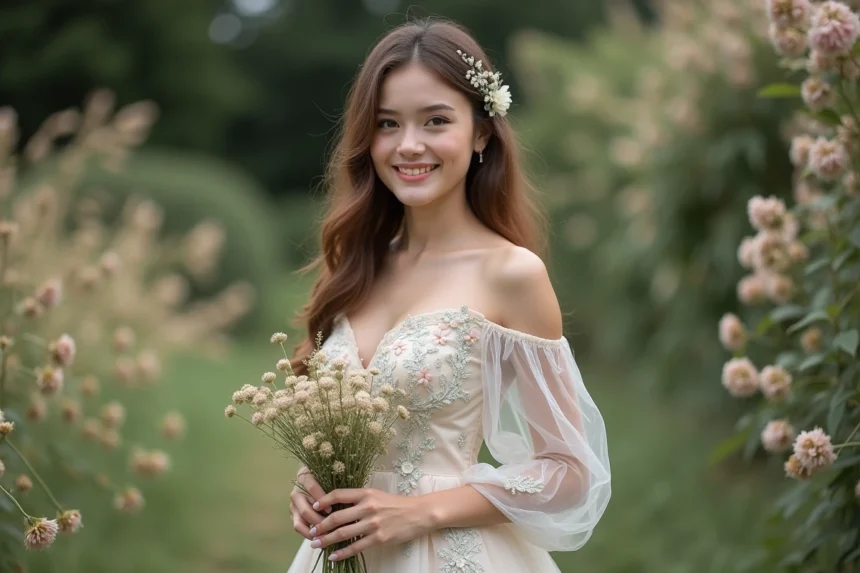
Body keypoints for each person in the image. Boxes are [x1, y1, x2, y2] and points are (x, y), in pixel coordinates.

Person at [285, 17, 610, 573]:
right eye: (387, 124)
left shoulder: (511, 274)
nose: (408, 145)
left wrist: (423, 511)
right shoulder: (357, 264)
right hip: (340, 555)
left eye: (435, 121)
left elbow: (568, 471)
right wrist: (311, 482)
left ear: (482, 132)